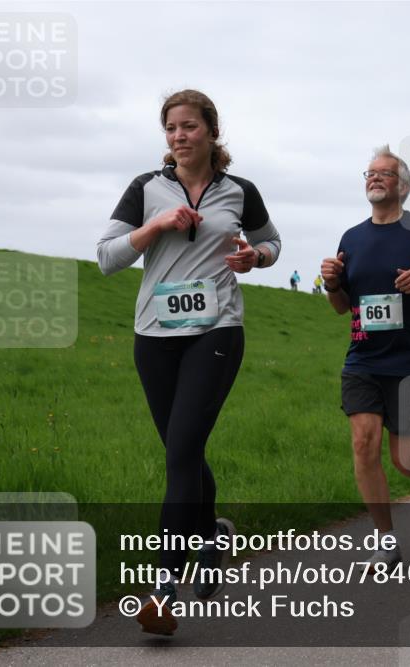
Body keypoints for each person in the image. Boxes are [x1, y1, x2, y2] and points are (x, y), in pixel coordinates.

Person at [96, 89, 281, 635]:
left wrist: (255, 257)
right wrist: (156, 227)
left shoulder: (239, 192)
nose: (180, 136)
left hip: (217, 330)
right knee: (185, 449)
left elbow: (272, 243)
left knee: (180, 452)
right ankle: (211, 537)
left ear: (210, 132)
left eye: (189, 127)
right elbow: (107, 256)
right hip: (154, 334)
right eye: (171, 128)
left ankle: (163, 590)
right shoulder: (145, 188)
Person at [320, 145, 410, 571]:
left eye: (383, 173)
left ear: (402, 186)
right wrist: (332, 284)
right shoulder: (352, 237)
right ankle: (386, 542)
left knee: (405, 459)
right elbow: (342, 305)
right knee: (363, 445)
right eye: (368, 173)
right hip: (363, 359)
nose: (374, 178)